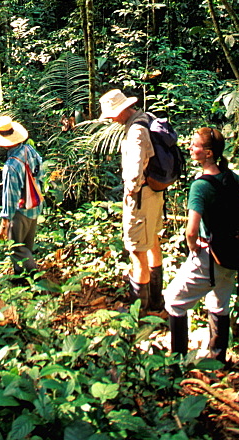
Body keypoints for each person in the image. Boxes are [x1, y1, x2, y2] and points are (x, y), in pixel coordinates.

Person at [164, 126, 239, 362]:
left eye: (195, 145)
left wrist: (194, 247)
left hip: (210, 254)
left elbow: (191, 231)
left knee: (174, 301)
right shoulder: (229, 176)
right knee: (219, 303)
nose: (190, 148)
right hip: (233, 253)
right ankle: (218, 362)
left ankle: (177, 362)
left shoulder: (200, 186)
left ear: (208, 153)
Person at [100, 88, 165, 315]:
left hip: (140, 196)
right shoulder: (147, 119)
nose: (112, 119)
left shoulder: (136, 130)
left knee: (137, 250)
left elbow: (136, 165)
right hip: (154, 192)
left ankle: (141, 310)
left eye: (112, 114)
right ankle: (156, 301)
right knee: (153, 242)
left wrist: (131, 190)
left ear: (123, 109)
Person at [0, 114, 43, 276]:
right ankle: (21, 279)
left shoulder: (11, 166)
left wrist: (4, 222)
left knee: (16, 248)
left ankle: (37, 280)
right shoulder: (29, 150)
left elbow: (10, 195)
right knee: (27, 246)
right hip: (34, 205)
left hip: (20, 211)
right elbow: (40, 170)